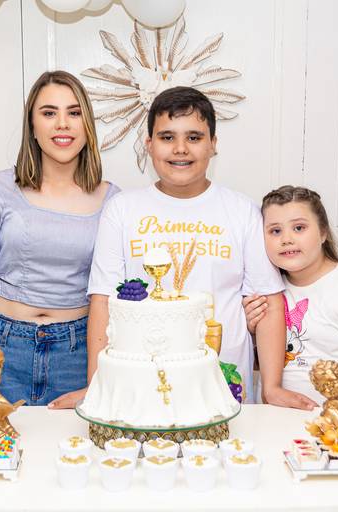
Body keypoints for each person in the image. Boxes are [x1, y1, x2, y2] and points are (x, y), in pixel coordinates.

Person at [66, 86, 309, 408]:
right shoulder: (122, 210)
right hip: (139, 387)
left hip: (223, 389)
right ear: (149, 145)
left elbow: (269, 304)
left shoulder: (242, 211)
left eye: (194, 137)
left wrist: (272, 386)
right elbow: (102, 301)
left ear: (213, 144)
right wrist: (97, 385)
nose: (180, 149)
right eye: (167, 137)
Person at [0, 70, 119, 407]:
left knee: (69, 442)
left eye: (74, 113)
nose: (62, 124)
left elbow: (113, 296)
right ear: (32, 126)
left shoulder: (113, 202)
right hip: (0, 351)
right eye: (49, 113)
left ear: (87, 125)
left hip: (77, 354)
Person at [244, 186, 338, 419]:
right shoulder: (266, 294)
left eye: (299, 228)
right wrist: (250, 333)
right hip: (273, 424)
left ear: (323, 232)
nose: (286, 239)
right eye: (275, 231)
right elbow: (260, 366)